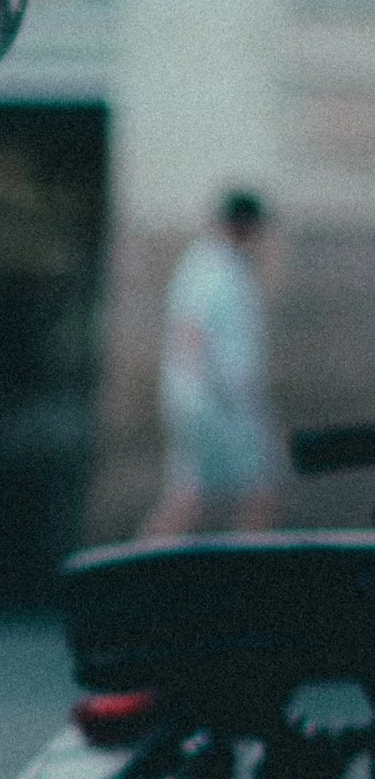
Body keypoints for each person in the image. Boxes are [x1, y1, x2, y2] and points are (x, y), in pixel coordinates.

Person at [143, 188, 279, 538]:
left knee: (198, 494)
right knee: (250, 491)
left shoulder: (221, 265)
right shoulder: (212, 267)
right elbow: (190, 332)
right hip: (215, 404)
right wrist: (223, 393)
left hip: (214, 402)